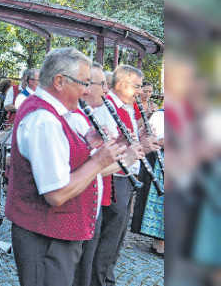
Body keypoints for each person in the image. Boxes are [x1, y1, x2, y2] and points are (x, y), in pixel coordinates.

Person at [4, 48, 127, 286]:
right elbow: (56, 194)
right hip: (46, 238)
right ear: (60, 81)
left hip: (53, 235)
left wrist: (88, 144)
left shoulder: (51, 112)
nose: (87, 91)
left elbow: (64, 161)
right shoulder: (44, 120)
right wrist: (99, 160)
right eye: (84, 83)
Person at [70, 62, 143, 286]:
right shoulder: (92, 110)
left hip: (108, 184)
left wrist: (129, 147)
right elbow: (89, 164)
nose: (106, 89)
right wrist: (125, 156)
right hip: (98, 188)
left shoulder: (105, 108)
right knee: (90, 253)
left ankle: (103, 280)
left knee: (108, 243)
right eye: (101, 84)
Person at [90, 64, 160, 286]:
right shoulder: (106, 106)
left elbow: (128, 144)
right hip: (114, 178)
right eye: (137, 86)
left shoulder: (127, 107)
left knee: (117, 238)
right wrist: (134, 147)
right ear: (121, 84)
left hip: (126, 176)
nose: (141, 92)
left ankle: (107, 277)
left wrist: (143, 143)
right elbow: (108, 147)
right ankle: (98, 280)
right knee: (108, 238)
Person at [130, 106, 164, 257]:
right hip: (162, 161)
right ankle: (159, 244)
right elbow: (152, 141)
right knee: (160, 204)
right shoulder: (161, 115)